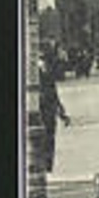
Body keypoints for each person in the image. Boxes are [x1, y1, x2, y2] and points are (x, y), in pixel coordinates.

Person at [36, 46, 71, 174]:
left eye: (44, 60)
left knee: (49, 139)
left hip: (49, 113)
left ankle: (47, 166)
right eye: (41, 60)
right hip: (37, 113)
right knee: (39, 140)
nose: (43, 63)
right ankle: (41, 167)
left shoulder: (48, 74)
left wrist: (62, 113)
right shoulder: (30, 75)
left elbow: (54, 94)